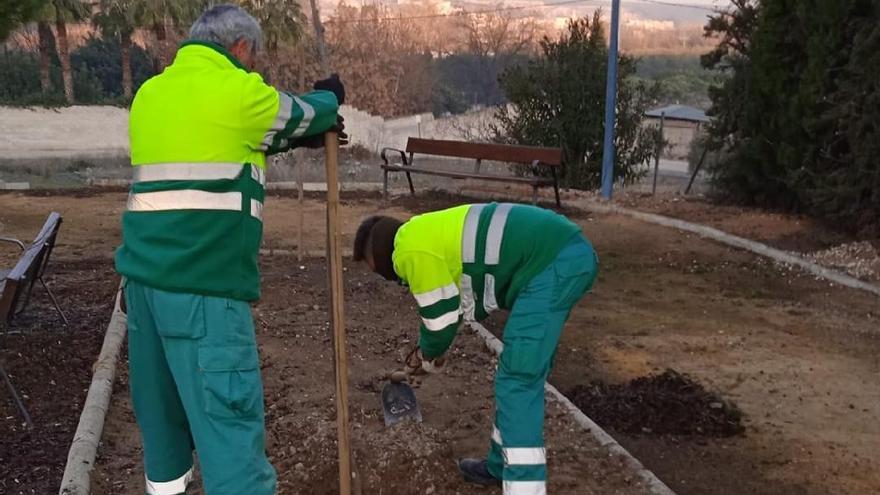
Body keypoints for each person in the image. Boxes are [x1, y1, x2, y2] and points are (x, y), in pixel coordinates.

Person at [114, 5, 346, 494]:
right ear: (240, 48)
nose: (255, 67)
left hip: (142, 294)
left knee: (164, 435)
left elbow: (214, 144)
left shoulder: (150, 95)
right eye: (254, 57)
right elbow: (308, 113)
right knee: (230, 438)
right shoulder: (238, 91)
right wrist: (331, 95)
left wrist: (280, 144)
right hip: (204, 295)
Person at [353, 202, 599, 495]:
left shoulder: (408, 251)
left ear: (379, 253)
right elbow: (453, 307)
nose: (384, 276)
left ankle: (525, 489)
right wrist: (430, 354)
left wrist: (426, 357)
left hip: (553, 261)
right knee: (519, 373)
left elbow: (440, 321)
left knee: (518, 380)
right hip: (559, 254)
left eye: (374, 267)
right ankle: (498, 466)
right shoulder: (421, 233)